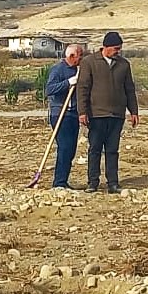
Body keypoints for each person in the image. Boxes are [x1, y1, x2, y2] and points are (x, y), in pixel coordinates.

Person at [77, 31, 139, 194]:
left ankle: (113, 182)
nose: (118, 51)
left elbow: (129, 89)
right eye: (115, 48)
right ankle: (93, 182)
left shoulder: (124, 64)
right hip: (96, 114)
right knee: (95, 149)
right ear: (105, 47)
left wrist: (134, 111)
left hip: (117, 115)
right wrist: (82, 112)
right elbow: (82, 88)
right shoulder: (89, 62)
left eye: (119, 48)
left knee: (112, 150)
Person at [45, 44, 84, 189]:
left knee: (71, 149)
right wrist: (68, 82)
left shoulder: (79, 70)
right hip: (60, 114)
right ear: (72, 56)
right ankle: (59, 182)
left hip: (74, 114)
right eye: (80, 55)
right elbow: (50, 89)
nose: (82, 58)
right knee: (65, 147)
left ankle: (63, 180)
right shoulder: (58, 69)